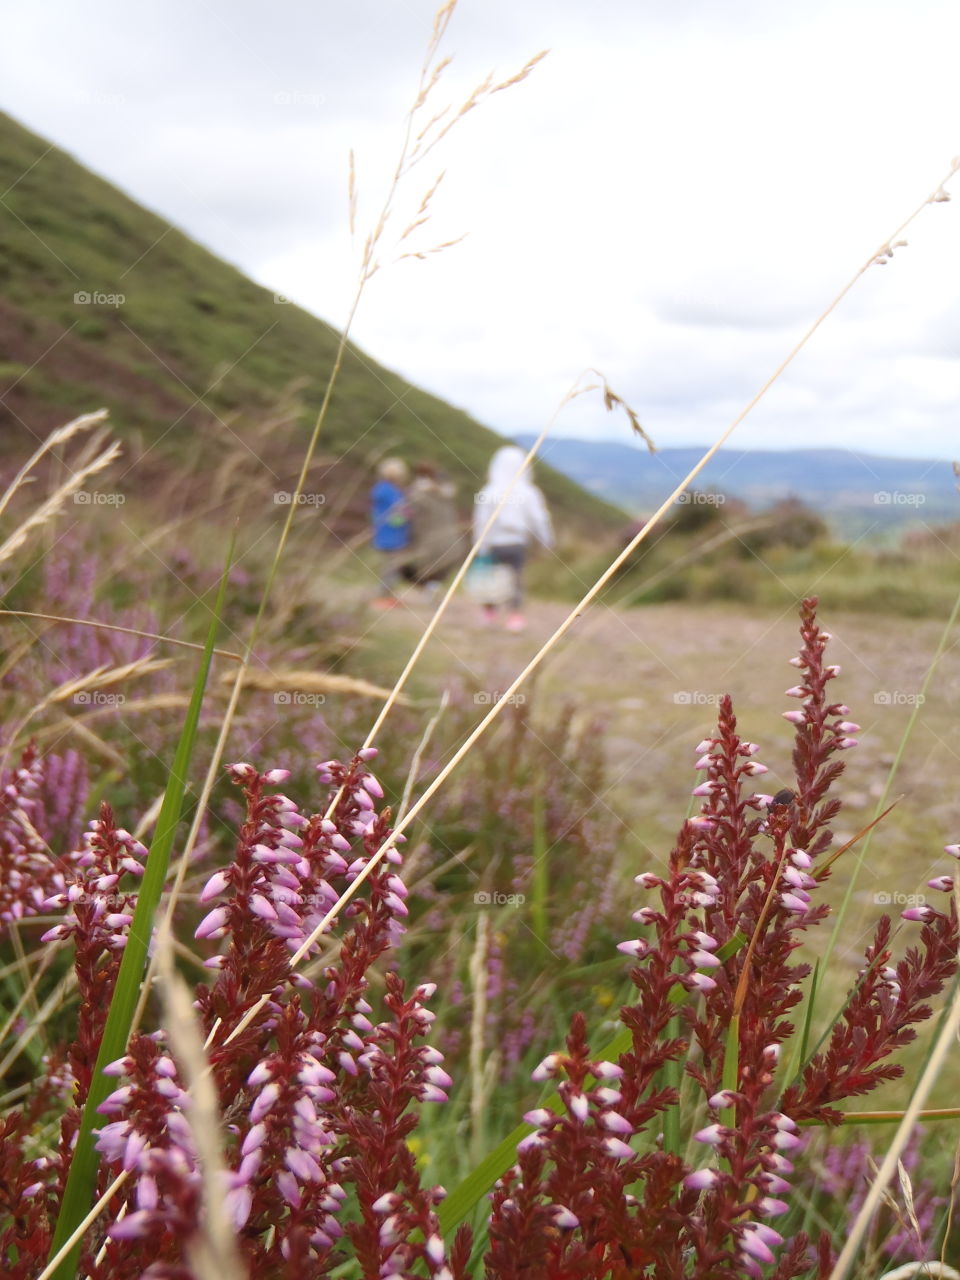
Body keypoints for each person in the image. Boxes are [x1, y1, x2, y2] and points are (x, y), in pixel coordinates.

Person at [473, 445, 554, 631]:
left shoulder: (489, 491)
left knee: (490, 577)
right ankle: (514, 616)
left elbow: (481, 521)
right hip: (517, 544)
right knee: (515, 578)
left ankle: (489, 613)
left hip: (493, 544)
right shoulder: (529, 492)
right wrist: (546, 541)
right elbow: (539, 519)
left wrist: (480, 545)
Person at [401, 462, 467, 597]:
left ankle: (427, 588)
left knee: (416, 564)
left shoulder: (417, 494)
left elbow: (409, 514)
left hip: (428, 538)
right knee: (440, 566)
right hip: (449, 539)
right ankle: (431, 589)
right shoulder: (446, 496)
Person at [369, 457, 411, 608]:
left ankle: (387, 595)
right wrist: (407, 515)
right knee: (391, 566)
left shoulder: (380, 489)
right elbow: (400, 511)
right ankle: (383, 597)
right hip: (392, 535)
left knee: (390, 566)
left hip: (384, 533)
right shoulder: (391, 491)